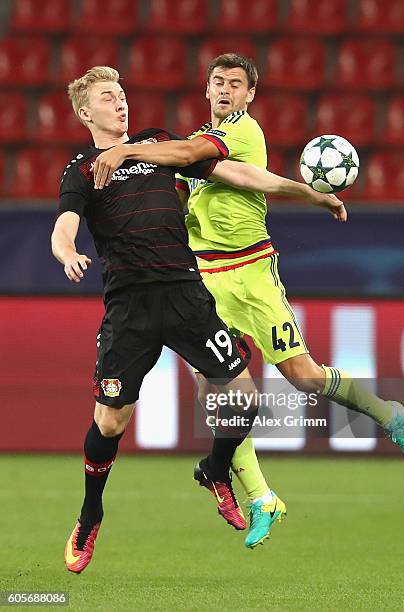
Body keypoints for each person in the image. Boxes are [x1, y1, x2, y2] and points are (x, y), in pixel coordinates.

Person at [93, 54, 404, 550]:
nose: (225, 90)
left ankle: (387, 413)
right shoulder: (195, 140)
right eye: (217, 82)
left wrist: (128, 151)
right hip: (204, 277)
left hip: (251, 272)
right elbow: (186, 186)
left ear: (250, 95)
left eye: (235, 84)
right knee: (222, 393)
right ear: (206, 89)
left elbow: (193, 157)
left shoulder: (241, 133)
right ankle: (260, 497)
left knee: (303, 375)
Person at [53, 65, 346, 573]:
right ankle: (90, 513)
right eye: (107, 97)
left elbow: (240, 173)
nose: (120, 103)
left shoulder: (159, 147)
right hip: (130, 308)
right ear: (86, 112)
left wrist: (310, 194)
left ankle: (215, 469)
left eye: (122, 94)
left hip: (187, 296)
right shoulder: (81, 169)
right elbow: (64, 225)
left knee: (245, 398)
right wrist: (66, 253)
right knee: (110, 419)